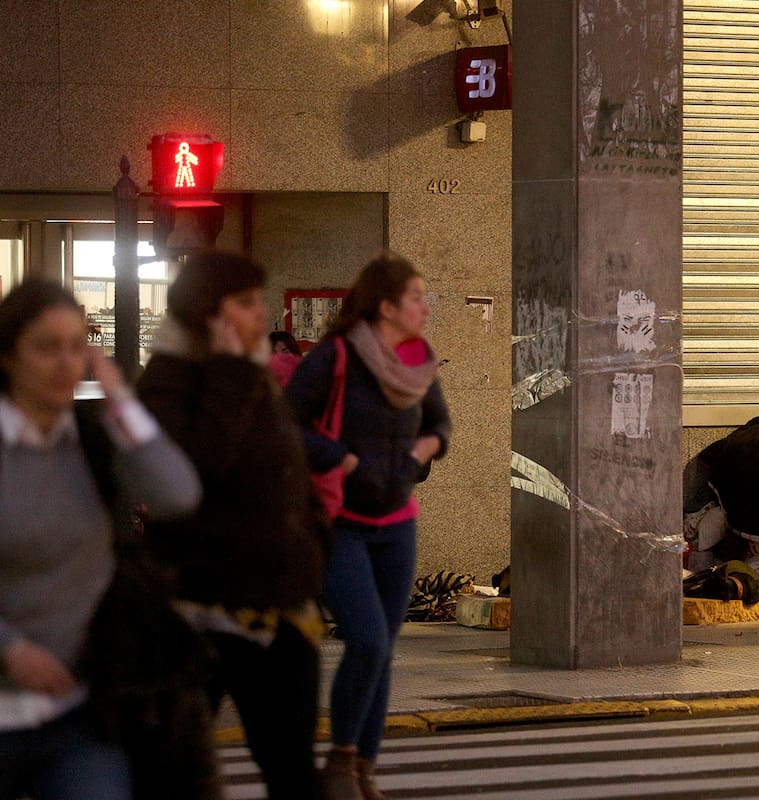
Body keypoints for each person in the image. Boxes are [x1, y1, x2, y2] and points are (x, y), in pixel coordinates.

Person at [136, 251, 329, 800]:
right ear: (207, 313)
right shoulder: (168, 381)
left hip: (282, 605)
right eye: (244, 303)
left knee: (292, 769)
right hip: (201, 610)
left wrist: (314, 548)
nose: (258, 314)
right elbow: (193, 474)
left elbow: (287, 467)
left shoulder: (250, 372)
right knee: (177, 775)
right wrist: (227, 371)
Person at [0, 280, 200, 800]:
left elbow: (177, 494)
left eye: (77, 345)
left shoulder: (90, 440)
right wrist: (10, 650)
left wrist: (121, 400)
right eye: (47, 347)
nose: (66, 363)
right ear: (7, 356)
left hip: (81, 712)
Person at [286, 252, 451, 800]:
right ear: (386, 306)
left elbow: (439, 424)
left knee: (385, 647)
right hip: (341, 523)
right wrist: (343, 459)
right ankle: (340, 759)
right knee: (368, 640)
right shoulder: (335, 358)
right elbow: (287, 423)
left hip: (397, 522)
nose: (425, 308)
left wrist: (420, 451)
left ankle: (362, 768)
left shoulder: (418, 361)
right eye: (416, 298)